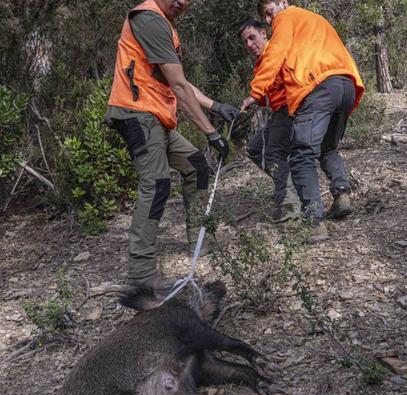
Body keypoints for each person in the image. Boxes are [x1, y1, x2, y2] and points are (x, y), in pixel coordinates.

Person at [106, 0, 239, 289]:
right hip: (137, 114)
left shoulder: (165, 24)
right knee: (156, 183)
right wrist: (211, 132)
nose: (182, 2)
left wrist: (216, 105)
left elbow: (178, 82)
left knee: (197, 166)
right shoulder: (149, 19)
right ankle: (141, 276)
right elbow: (178, 86)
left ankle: (199, 241)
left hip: (157, 118)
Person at [242, 0, 364, 242]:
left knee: (301, 154)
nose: (269, 19)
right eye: (266, 16)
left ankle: (313, 222)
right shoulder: (313, 20)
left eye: (269, 13)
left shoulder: (287, 18)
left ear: (283, 3)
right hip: (346, 85)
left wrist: (255, 93)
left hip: (319, 87)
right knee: (327, 148)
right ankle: (342, 195)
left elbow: (275, 55)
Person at [239, 19, 300, 223]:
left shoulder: (277, 51)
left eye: (252, 38)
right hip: (277, 112)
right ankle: (288, 185)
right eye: (245, 42)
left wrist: (255, 97)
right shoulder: (260, 64)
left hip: (290, 109)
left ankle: (290, 204)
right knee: (255, 148)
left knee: (274, 154)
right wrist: (255, 101)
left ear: (264, 33)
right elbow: (267, 96)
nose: (249, 45)